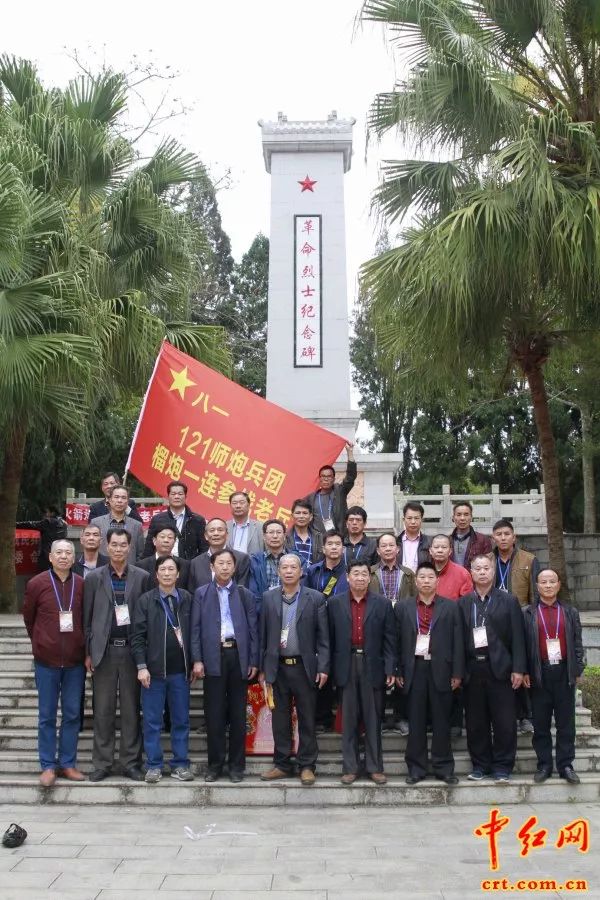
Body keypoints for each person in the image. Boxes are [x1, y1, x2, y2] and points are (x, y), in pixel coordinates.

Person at [83, 527, 151, 781]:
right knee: (103, 709)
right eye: (114, 544)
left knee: (132, 710)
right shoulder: (94, 578)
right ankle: (102, 762)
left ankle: (131, 762)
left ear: (130, 547)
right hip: (104, 650)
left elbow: (146, 618)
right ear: (106, 546)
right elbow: (87, 619)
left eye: (124, 545)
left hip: (132, 651)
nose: (119, 549)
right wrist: (88, 652)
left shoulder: (142, 577)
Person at [259, 554, 329, 785]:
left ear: (301, 571)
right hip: (277, 668)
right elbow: (262, 636)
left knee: (307, 718)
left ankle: (307, 765)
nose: (289, 571)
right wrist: (262, 669)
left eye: (293, 567)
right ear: (278, 572)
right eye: (284, 567)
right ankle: (282, 763)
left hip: (304, 668)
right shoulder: (268, 598)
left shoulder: (315, 598)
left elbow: (323, 638)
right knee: (280, 718)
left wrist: (323, 667)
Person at [191, 549, 259, 783]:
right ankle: (215, 765)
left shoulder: (245, 594)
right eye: (220, 563)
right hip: (213, 657)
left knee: (239, 714)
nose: (225, 567)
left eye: (229, 563)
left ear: (234, 567)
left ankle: (236, 767)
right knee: (215, 714)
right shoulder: (201, 593)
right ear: (212, 566)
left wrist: (253, 661)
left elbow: (253, 631)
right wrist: (197, 659)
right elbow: (196, 629)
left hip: (238, 657)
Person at [458, 553, 527, 783]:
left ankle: (502, 767)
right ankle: (480, 765)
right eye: (477, 568)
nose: (482, 572)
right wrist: (458, 672)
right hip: (473, 669)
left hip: (501, 669)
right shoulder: (464, 603)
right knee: (476, 722)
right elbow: (458, 641)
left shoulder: (508, 600)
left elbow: (518, 637)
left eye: (486, 568)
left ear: (493, 570)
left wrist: (519, 668)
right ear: (471, 572)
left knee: (504, 722)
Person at [22, 540, 86, 786]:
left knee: (72, 715)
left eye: (68, 553)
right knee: (47, 715)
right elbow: (29, 619)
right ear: (50, 557)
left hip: (74, 662)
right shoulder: (37, 583)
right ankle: (48, 765)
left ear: (73, 558)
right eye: (58, 552)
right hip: (46, 662)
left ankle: (67, 763)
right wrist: (40, 643)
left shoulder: (81, 584)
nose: (63, 557)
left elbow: (85, 619)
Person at [328, 560, 396, 785]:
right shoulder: (335, 604)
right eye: (355, 574)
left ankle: (375, 767)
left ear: (370, 577)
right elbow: (329, 640)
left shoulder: (383, 604)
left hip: (372, 666)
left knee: (373, 718)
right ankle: (350, 767)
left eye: (364, 574)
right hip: (346, 665)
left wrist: (390, 668)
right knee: (348, 719)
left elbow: (390, 640)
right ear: (347, 577)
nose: (359, 577)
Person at [396, 562, 464, 785]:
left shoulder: (451, 607)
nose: (426, 581)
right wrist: (398, 670)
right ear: (416, 582)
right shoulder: (403, 607)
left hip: (441, 670)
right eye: (422, 577)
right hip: (414, 669)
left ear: (437, 581)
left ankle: (444, 767)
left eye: (430, 577)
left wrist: (457, 672)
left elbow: (458, 642)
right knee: (415, 721)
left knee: (441, 721)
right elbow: (396, 641)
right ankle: (416, 768)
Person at [131, 555, 194, 783]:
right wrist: (141, 666)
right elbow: (137, 637)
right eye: (163, 570)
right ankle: (154, 764)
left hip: (180, 672)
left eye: (171, 569)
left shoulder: (187, 598)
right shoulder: (146, 600)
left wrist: (195, 661)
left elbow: (194, 633)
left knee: (181, 720)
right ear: (156, 574)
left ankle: (180, 764)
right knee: (152, 721)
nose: (167, 573)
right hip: (153, 673)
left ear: (178, 574)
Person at [523, 569, 585, 785]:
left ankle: (566, 765)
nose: (548, 586)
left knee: (566, 723)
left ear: (559, 585)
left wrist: (578, 669)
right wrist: (524, 672)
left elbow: (577, 643)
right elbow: (522, 646)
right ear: (537, 586)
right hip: (539, 673)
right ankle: (544, 765)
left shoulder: (570, 612)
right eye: (543, 582)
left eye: (552, 582)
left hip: (564, 672)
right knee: (540, 724)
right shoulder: (528, 613)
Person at [492, 518, 540, 734]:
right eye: (499, 534)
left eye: (506, 534)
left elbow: (535, 596)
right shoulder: (487, 561)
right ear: (493, 538)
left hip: (520, 620)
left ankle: (526, 715)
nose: (503, 538)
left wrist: (531, 620)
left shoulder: (528, 559)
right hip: (494, 623)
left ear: (514, 537)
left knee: (522, 666)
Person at [370, 532, 416, 735]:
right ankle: (377, 718)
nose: (388, 549)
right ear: (378, 550)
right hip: (377, 628)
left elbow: (415, 599)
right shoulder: (369, 572)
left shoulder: (408, 574)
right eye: (384, 546)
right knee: (379, 670)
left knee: (402, 671)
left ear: (398, 549)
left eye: (391, 545)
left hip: (403, 627)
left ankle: (400, 717)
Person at [305, 530, 348, 731]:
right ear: (323, 548)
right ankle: (321, 717)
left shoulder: (349, 571)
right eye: (329, 544)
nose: (333, 547)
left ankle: (340, 715)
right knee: (320, 669)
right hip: (317, 627)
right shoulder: (313, 571)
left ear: (343, 548)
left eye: (337, 544)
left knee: (339, 670)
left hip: (342, 627)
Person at [143, 480, 207, 560]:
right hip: (163, 566)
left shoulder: (197, 520)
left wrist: (195, 566)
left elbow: (204, 548)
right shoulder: (158, 519)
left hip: (190, 567)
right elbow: (149, 547)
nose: (176, 497)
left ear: (185, 497)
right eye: (173, 494)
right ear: (168, 496)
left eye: (180, 494)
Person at [303, 442, 356, 534]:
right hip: (318, 542)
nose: (326, 479)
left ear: (333, 479)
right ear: (319, 479)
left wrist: (350, 453)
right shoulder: (310, 498)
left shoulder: (340, 491)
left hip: (339, 538)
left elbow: (350, 477)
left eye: (329, 476)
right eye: (323, 476)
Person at [188, 517, 250, 592]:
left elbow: (243, 591)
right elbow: (192, 593)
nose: (216, 533)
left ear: (227, 535)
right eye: (212, 530)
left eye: (220, 530)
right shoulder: (196, 563)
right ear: (206, 536)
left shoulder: (241, 558)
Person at [249, 519, 299, 610]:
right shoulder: (255, 561)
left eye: (279, 532)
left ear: (284, 536)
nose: (275, 536)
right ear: (264, 536)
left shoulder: (296, 559)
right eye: (271, 532)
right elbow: (253, 593)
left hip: (291, 608)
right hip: (264, 610)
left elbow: (302, 586)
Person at [91, 485, 144, 564]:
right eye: (116, 497)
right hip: (102, 572)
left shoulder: (136, 526)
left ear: (127, 501)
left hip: (129, 572)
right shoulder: (96, 523)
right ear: (109, 500)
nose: (119, 500)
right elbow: (91, 550)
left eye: (123, 498)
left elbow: (140, 555)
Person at [136, 524, 190, 591]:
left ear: (175, 542)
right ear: (154, 541)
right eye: (162, 537)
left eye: (170, 537)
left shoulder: (185, 565)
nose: (166, 540)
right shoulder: (141, 566)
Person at [16, 506, 68, 572]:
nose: (46, 514)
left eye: (47, 512)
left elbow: (31, 524)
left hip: (46, 556)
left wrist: (15, 524)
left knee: (44, 577)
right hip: (59, 555)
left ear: (52, 513)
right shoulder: (64, 524)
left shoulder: (48, 522)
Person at [429, 534, 474, 600]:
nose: (440, 550)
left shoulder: (462, 574)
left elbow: (467, 604)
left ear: (450, 551)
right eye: (436, 547)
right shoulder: (424, 572)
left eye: (444, 547)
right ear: (430, 551)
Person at [449, 501, 492, 569]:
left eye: (466, 514)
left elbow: (489, 567)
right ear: (453, 518)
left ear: (471, 517)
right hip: (453, 579)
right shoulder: (448, 541)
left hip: (473, 579)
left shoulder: (483, 540)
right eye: (459, 515)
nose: (462, 518)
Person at [285, 499, 323, 568]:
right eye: (298, 513)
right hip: (292, 577)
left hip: (314, 577)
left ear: (311, 517)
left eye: (305, 513)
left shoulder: (319, 537)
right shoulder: (285, 538)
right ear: (292, 516)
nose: (301, 516)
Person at [396, 502, 431, 571]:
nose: (413, 522)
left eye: (416, 518)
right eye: (409, 518)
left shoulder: (429, 542)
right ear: (403, 520)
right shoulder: (395, 542)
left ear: (422, 520)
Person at [226, 491, 264, 555]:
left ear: (248, 505)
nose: (238, 506)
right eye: (234, 503)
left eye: (242, 502)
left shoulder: (260, 527)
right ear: (230, 506)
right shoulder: (224, 526)